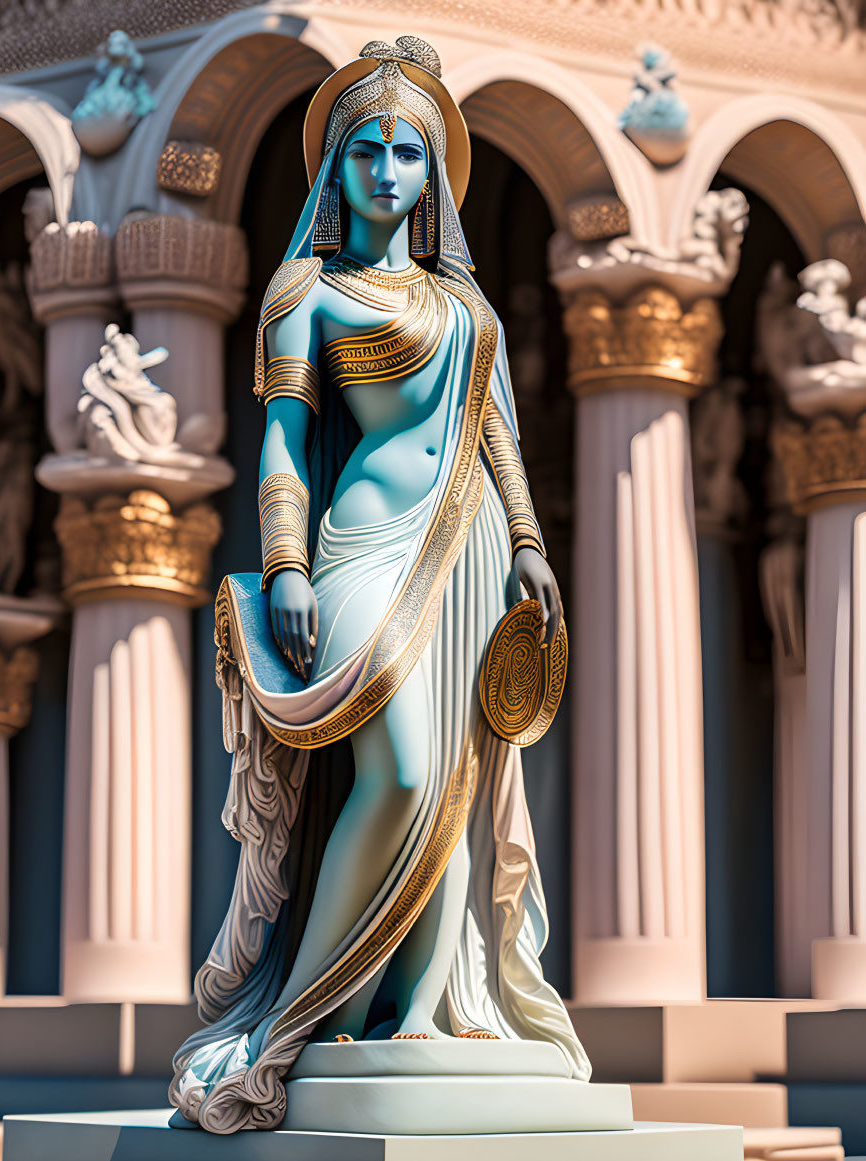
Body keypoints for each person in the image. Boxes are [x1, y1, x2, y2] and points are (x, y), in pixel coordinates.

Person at [170, 35, 590, 1135]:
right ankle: (295, 1020)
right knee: (399, 771)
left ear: (434, 173)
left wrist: (535, 548)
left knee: (454, 787)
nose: (391, 170)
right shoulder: (306, 291)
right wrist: (290, 564)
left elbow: (495, 436)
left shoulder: (470, 310)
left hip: (475, 553)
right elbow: (281, 445)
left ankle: (415, 1013)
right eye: (368, 150)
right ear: (336, 168)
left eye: (411, 151)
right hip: (362, 545)